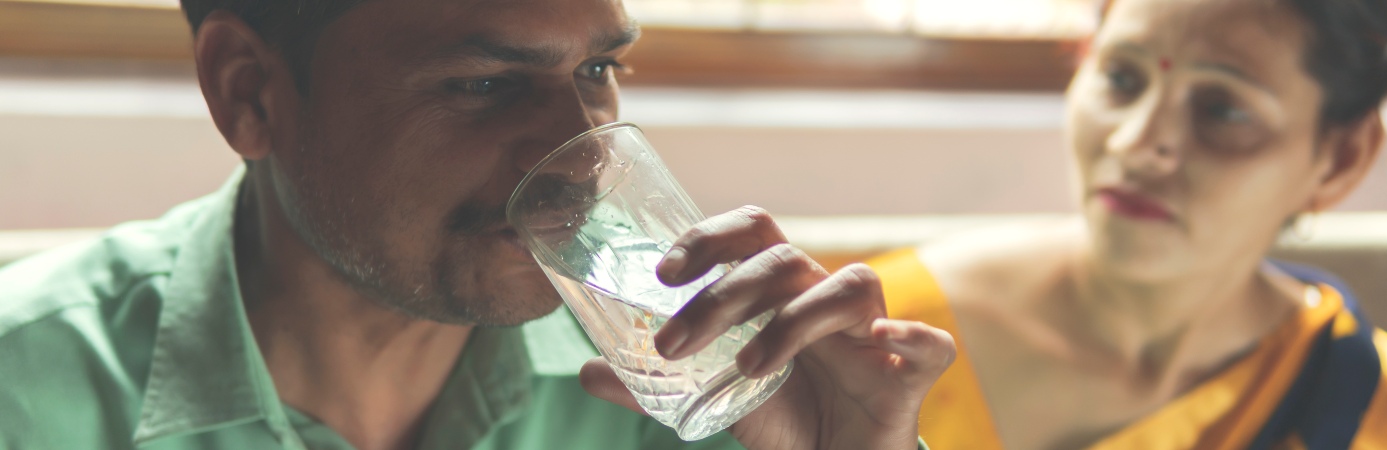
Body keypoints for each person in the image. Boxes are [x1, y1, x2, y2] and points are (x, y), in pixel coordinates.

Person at [0, 0, 957, 449]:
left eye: (595, 72)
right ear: (249, 93)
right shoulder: (28, 394)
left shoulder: (680, 379)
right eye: (484, 84)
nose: (578, 159)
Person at [867, 0, 1387, 448]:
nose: (1136, 144)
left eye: (1222, 109)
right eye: (1121, 78)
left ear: (1342, 158)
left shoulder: (1371, 407)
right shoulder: (883, 332)